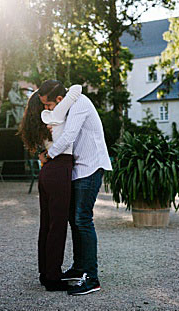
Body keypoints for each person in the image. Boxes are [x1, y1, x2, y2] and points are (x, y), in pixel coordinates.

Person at [36, 80, 112, 296]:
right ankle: (79, 268)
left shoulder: (80, 104)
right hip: (78, 168)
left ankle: (91, 276)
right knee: (73, 218)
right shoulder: (66, 106)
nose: (47, 109)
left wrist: (48, 156)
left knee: (82, 219)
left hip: (91, 166)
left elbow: (69, 136)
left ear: (59, 100)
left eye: (48, 105)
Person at [17, 84, 81, 292]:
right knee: (58, 225)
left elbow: (41, 153)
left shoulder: (40, 125)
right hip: (59, 169)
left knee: (47, 224)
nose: (51, 105)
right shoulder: (56, 118)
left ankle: (45, 273)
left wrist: (43, 155)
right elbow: (76, 90)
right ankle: (53, 277)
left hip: (46, 173)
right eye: (47, 103)